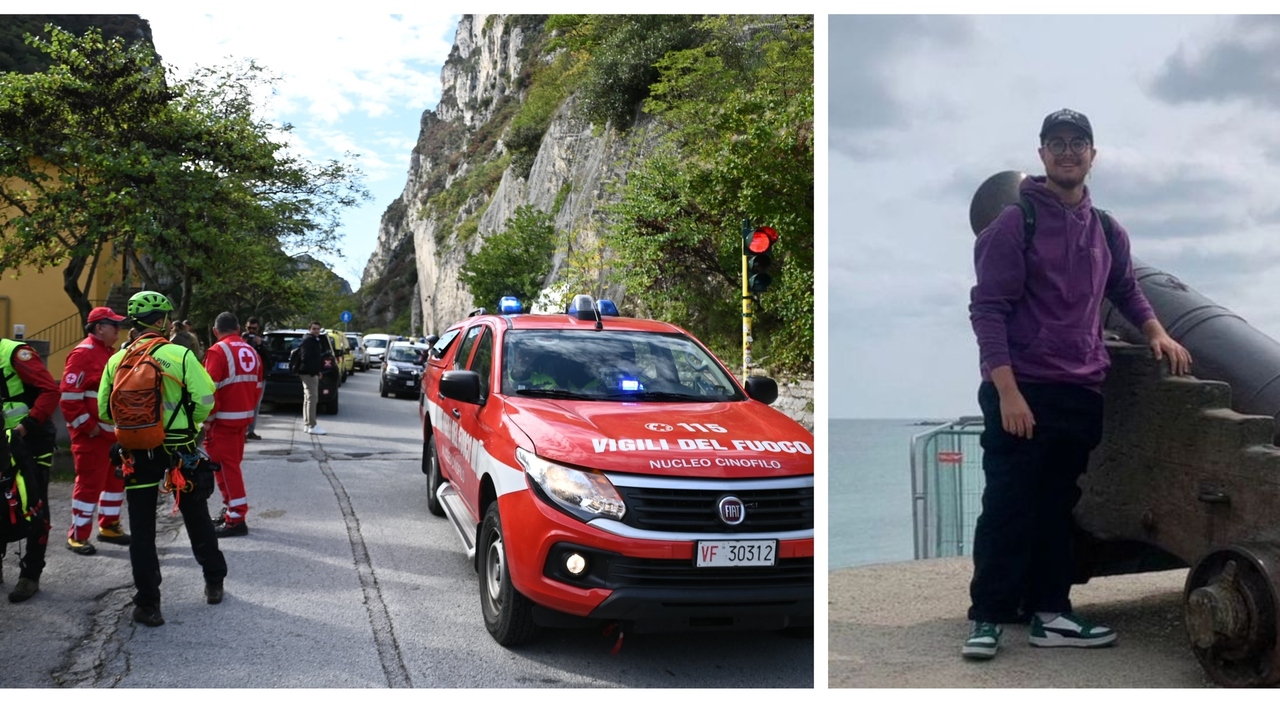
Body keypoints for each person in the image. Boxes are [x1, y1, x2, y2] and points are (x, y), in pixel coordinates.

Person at [963, 109, 1194, 660]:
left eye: (1078, 143)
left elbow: (1126, 288)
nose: (1069, 153)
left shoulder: (1106, 228)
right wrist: (1008, 391)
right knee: (1008, 506)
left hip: (1079, 388)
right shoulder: (1016, 223)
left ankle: (1051, 612)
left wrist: (1157, 332)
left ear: (1093, 154)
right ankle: (988, 617)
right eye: (1057, 143)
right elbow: (988, 311)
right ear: (1042, 154)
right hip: (1023, 389)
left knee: (1058, 507)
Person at [99, 290, 226, 626]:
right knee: (196, 516)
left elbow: (103, 410)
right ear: (161, 321)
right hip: (179, 452)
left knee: (142, 530)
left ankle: (148, 605)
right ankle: (214, 581)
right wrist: (190, 423)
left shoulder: (116, 360)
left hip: (137, 452)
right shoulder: (180, 355)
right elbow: (206, 399)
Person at [60, 306, 131, 556]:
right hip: (92, 438)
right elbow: (69, 398)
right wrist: (88, 428)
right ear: (99, 328)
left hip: (110, 436)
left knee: (114, 482)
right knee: (89, 485)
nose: (119, 329)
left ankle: (109, 526)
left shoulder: (108, 354)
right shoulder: (83, 354)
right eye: (114, 325)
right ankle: (77, 536)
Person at [0, 336, 59, 602]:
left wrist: (25, 427)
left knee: (34, 506)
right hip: (4, 442)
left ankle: (30, 575)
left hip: (31, 439)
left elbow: (50, 391)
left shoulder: (15, 353)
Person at [203, 312, 263, 538]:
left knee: (227, 470)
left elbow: (209, 391)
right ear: (238, 329)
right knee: (227, 467)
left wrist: (207, 420)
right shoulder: (252, 351)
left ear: (215, 331)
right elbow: (257, 387)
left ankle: (236, 518)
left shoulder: (217, 351)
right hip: (242, 420)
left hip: (222, 421)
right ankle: (231, 509)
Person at [298, 321, 326, 435]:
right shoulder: (308, 341)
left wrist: (318, 370)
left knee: (308, 399)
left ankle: (307, 424)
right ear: (309, 329)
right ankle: (312, 425)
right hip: (308, 373)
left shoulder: (313, 340)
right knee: (312, 399)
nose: (316, 331)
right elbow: (306, 358)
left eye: (318, 329)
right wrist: (314, 371)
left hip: (310, 372)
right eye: (314, 329)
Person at [242, 317, 265, 441]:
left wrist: (261, 345)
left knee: (255, 405)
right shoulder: (241, 340)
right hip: (243, 379)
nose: (251, 331)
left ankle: (250, 431)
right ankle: (242, 431)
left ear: (258, 329)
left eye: (254, 328)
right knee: (243, 404)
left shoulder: (262, 341)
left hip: (259, 379)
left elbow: (268, 358)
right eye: (249, 328)